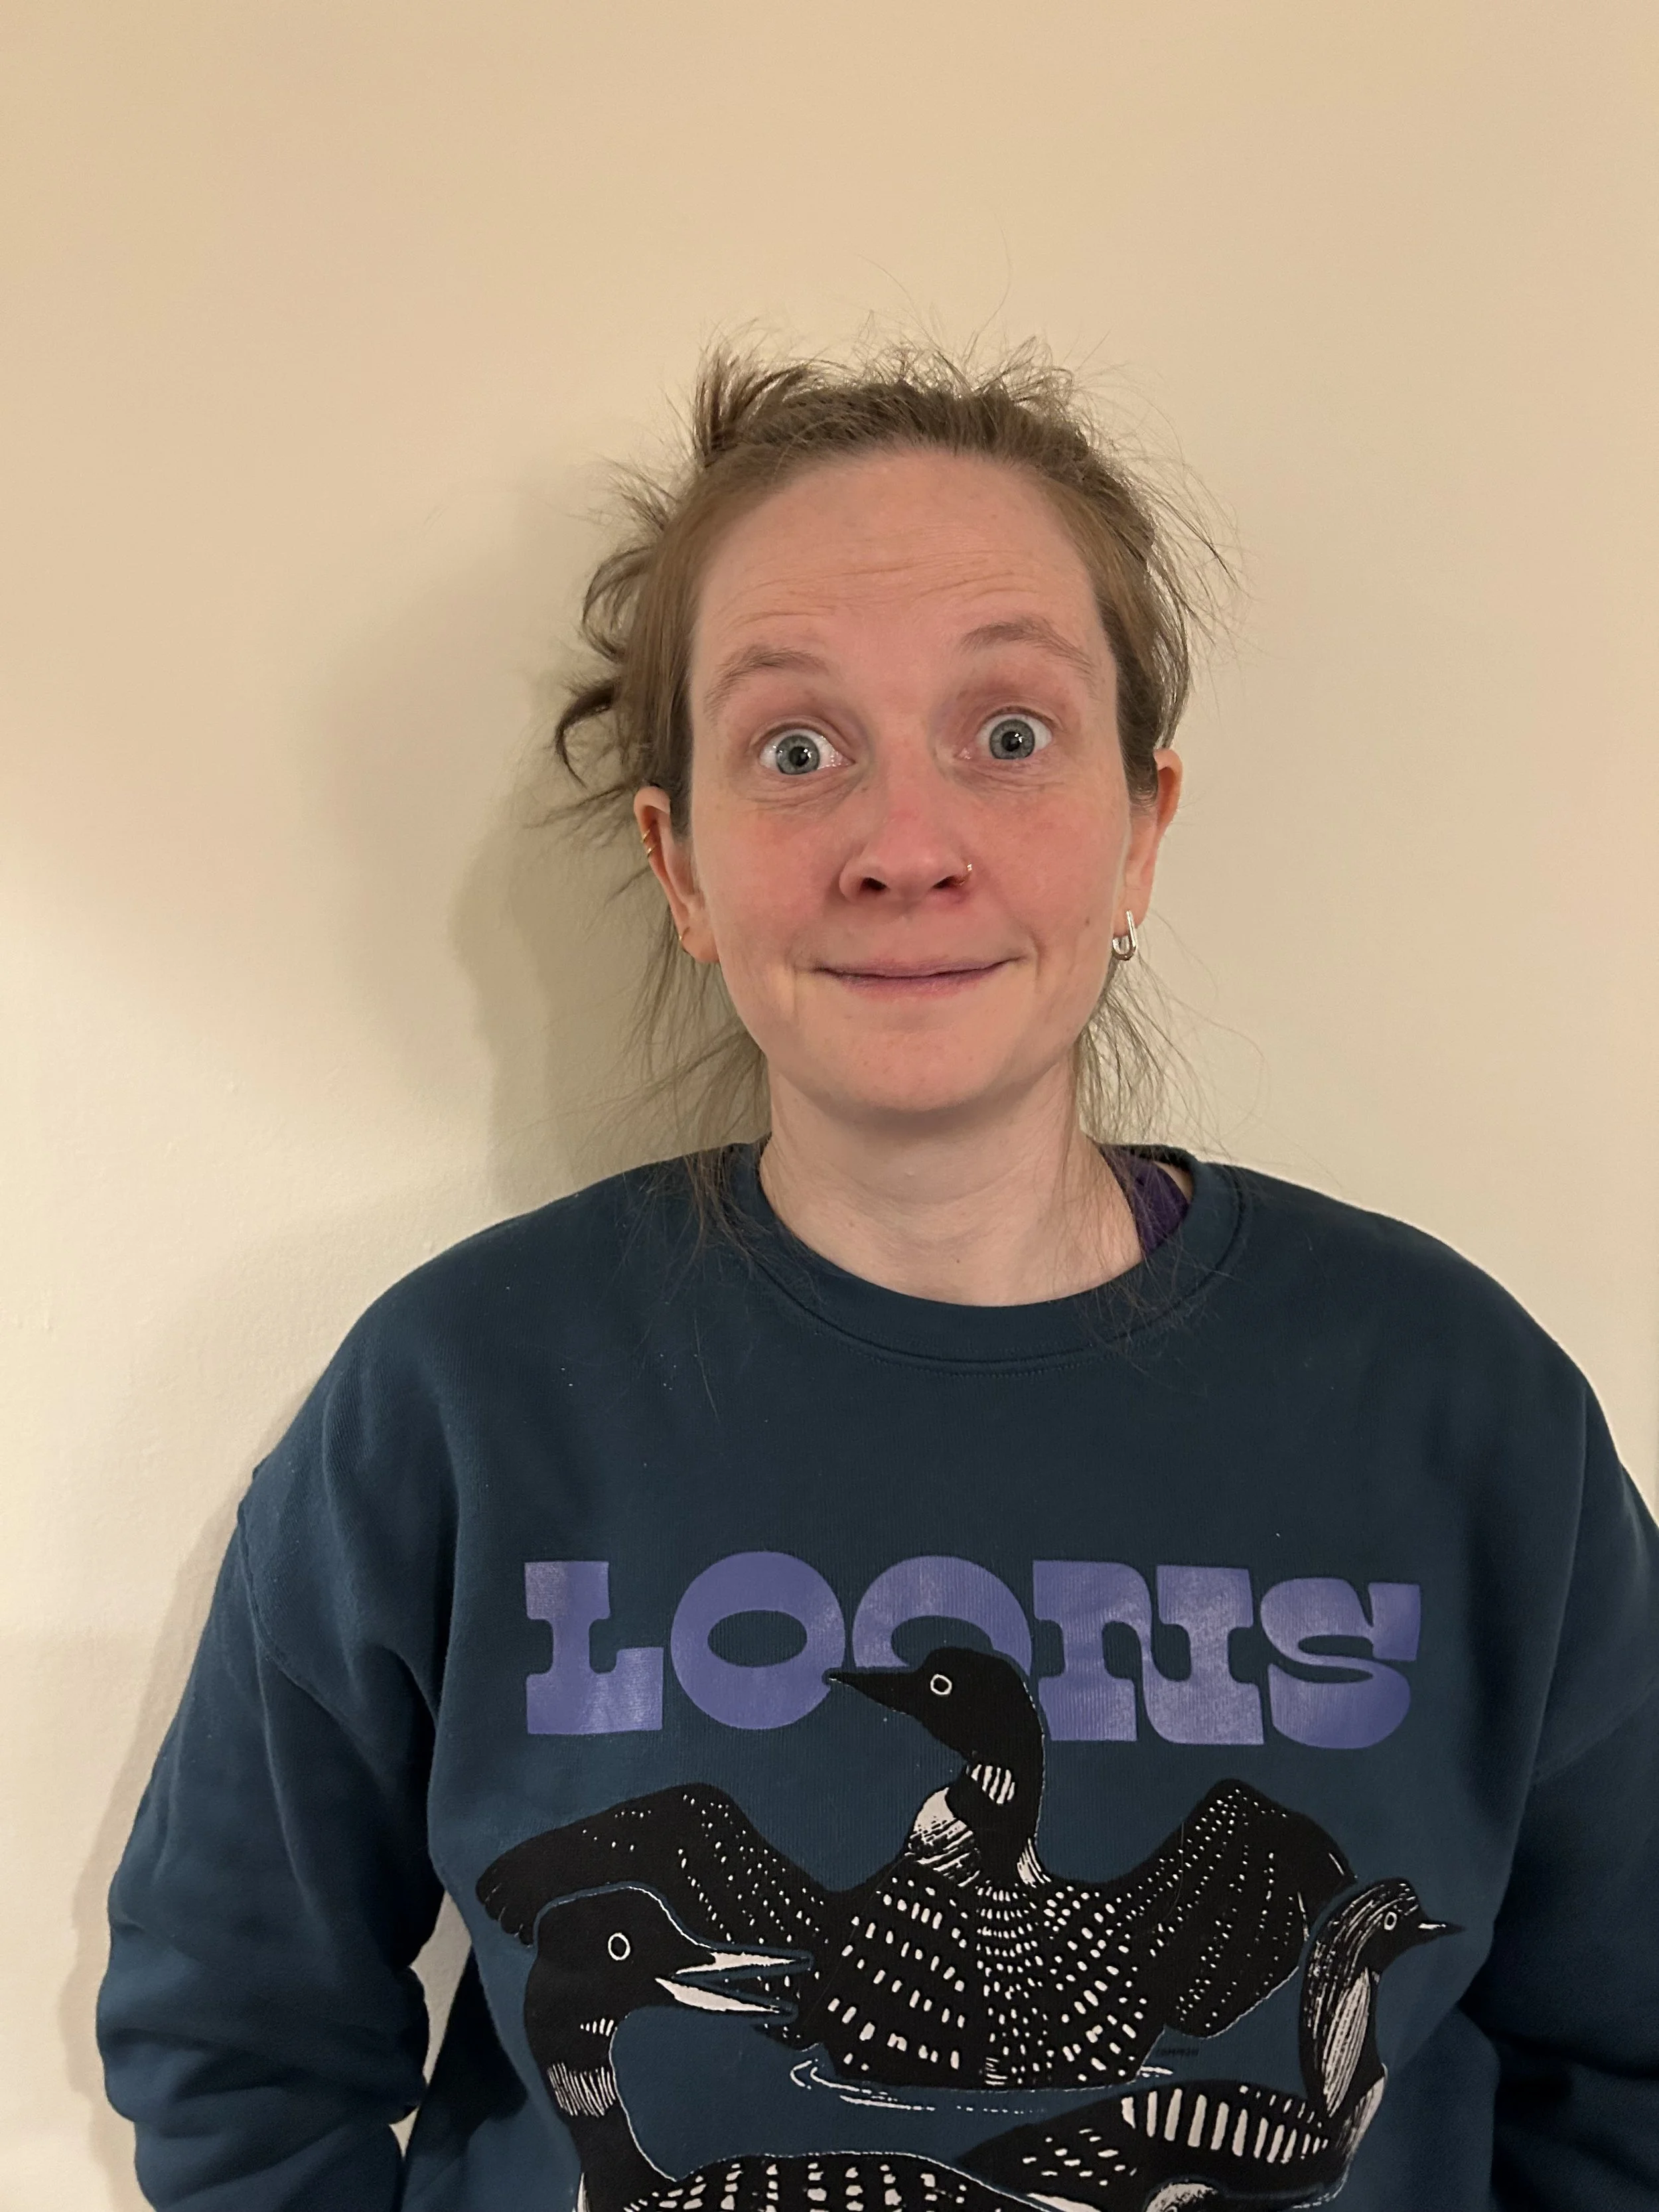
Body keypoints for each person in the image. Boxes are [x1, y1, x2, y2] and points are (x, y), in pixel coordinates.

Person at [98, 346, 1659, 2212]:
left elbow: (1629, 2062)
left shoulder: (1458, 1411)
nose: (905, 849)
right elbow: (240, 2041)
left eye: (1009, 734)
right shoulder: (459, 1398)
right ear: (681, 863)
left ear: (1141, 825)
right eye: (795, 748)